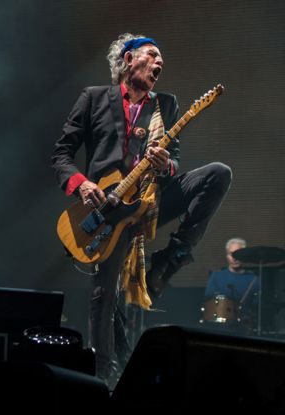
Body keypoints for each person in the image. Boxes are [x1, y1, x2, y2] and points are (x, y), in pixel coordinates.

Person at [51, 33, 231, 384]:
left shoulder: (166, 104)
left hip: (151, 201)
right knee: (105, 294)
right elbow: (61, 154)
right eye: (153, 54)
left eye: (162, 58)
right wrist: (82, 184)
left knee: (217, 174)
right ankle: (105, 377)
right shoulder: (93, 98)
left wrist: (165, 164)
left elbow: (174, 159)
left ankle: (173, 257)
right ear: (129, 59)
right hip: (108, 208)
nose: (160, 62)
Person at [203, 238, 259, 333]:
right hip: (218, 328)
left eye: (238, 254)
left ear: (245, 256)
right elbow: (208, 300)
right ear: (226, 256)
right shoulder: (216, 276)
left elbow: (258, 305)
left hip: (246, 328)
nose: (234, 258)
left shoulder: (254, 279)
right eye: (231, 254)